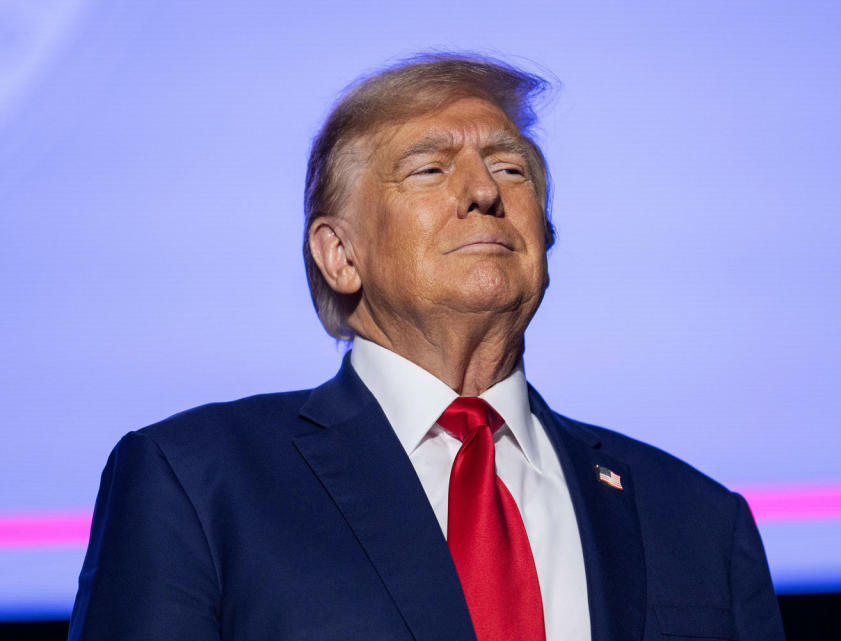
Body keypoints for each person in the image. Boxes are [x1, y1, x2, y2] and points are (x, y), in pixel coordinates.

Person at [68, 53, 785, 641]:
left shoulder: (696, 520)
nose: (483, 190)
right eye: (430, 168)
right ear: (340, 254)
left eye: (511, 168)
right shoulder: (197, 483)